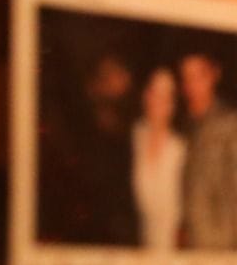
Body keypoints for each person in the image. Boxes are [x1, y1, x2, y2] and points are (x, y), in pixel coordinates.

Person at [40, 51, 139, 246]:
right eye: (111, 75)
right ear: (94, 86)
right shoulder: (81, 136)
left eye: (122, 74)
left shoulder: (131, 133)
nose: (122, 80)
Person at [179, 51, 237, 252]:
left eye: (199, 76)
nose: (192, 85)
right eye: (186, 77)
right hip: (190, 247)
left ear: (214, 75)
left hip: (223, 246)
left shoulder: (231, 124)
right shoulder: (182, 126)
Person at [131, 67, 186, 250]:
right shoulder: (133, 138)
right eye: (154, 92)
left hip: (170, 251)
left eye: (166, 96)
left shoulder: (181, 149)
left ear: (173, 104)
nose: (158, 102)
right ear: (145, 95)